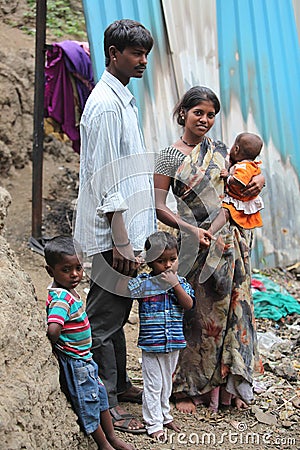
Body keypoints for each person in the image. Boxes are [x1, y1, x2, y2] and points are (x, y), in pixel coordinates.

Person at [154, 86, 265, 414]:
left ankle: (225, 389)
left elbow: (247, 176)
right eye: (198, 112)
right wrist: (189, 229)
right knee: (196, 315)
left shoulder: (221, 150)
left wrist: (261, 181)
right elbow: (159, 206)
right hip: (192, 245)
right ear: (183, 113)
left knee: (232, 314)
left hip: (230, 243)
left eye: (210, 115)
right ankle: (187, 386)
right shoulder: (169, 155)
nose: (204, 119)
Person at [74, 19, 156, 433]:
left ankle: (119, 384)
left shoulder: (121, 99)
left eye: (146, 54)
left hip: (124, 229)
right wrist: (121, 240)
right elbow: (107, 177)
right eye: (136, 54)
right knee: (103, 319)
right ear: (113, 54)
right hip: (112, 234)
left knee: (117, 313)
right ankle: (103, 401)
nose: (143, 62)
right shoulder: (106, 105)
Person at [44, 236, 135, 450]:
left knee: (101, 397)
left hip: (85, 360)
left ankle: (111, 438)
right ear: (51, 271)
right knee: (89, 404)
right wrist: (54, 346)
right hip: (77, 363)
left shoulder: (68, 292)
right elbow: (53, 328)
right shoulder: (61, 299)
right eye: (66, 270)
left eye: (78, 267)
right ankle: (103, 444)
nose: (74, 274)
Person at [118, 231, 194, 442]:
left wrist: (175, 285)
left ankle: (164, 415)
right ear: (151, 262)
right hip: (152, 344)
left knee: (167, 383)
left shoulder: (182, 283)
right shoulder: (145, 283)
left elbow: (188, 304)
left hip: (175, 343)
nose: (168, 265)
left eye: (172, 259)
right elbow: (126, 289)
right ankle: (153, 423)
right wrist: (136, 266)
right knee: (153, 384)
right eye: (161, 261)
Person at [209, 132, 264, 234]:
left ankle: (210, 232)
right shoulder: (249, 165)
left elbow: (240, 181)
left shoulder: (244, 167)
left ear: (236, 149)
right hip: (238, 199)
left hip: (238, 200)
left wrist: (228, 177)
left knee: (226, 212)